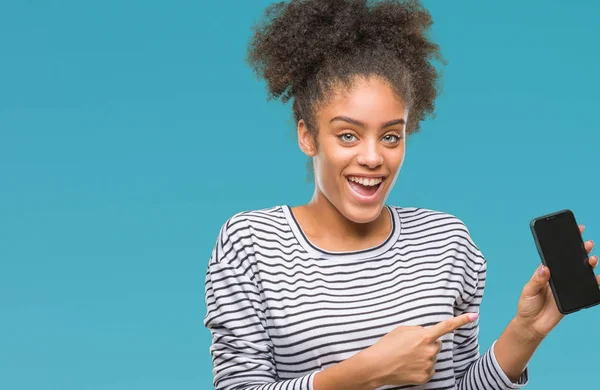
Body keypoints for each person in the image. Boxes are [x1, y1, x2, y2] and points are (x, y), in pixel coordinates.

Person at [203, 1, 599, 389]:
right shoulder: (251, 244)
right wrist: (363, 374)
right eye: (347, 135)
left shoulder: (447, 241)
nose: (373, 157)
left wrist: (526, 332)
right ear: (307, 136)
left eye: (391, 136)